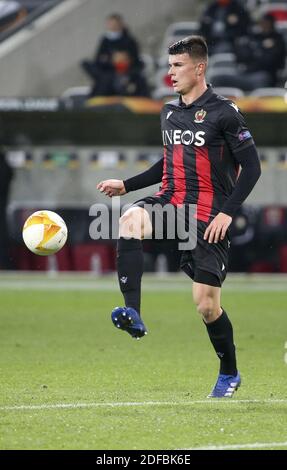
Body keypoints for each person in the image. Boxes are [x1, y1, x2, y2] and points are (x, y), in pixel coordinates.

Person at [97, 36, 261, 398]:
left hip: (209, 214)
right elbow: (169, 161)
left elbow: (251, 168)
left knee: (206, 305)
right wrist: (127, 184)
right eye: (169, 66)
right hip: (171, 202)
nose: (169, 74)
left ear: (199, 68)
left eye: (178, 66)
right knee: (130, 220)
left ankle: (229, 372)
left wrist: (228, 214)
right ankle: (133, 312)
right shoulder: (169, 112)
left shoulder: (225, 112)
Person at [81, 13, 142, 90]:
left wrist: (122, 59)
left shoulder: (128, 40)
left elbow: (134, 58)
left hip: (125, 70)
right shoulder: (105, 40)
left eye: (114, 24)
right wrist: (109, 60)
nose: (112, 27)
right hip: (108, 70)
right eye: (110, 24)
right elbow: (98, 58)